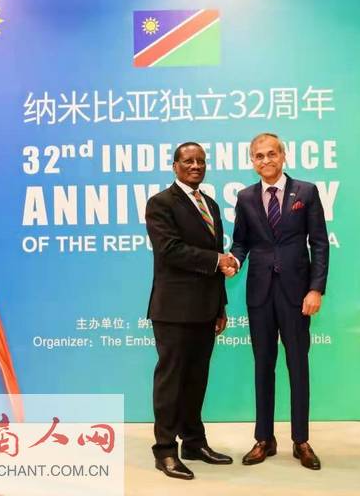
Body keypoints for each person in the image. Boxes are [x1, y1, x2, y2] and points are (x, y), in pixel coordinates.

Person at [229, 132, 329, 470]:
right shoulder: (245, 197)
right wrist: (234, 261)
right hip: (259, 294)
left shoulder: (306, 192)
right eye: (259, 155)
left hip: (297, 294)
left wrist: (316, 289)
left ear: (283, 156)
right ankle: (264, 438)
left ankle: (301, 440)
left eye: (271, 153)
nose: (266, 160)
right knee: (263, 365)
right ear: (252, 161)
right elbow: (240, 242)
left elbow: (319, 243)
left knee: (298, 365)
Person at [145, 142, 236, 480]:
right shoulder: (160, 203)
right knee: (171, 382)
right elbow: (170, 250)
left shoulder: (210, 204)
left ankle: (194, 443)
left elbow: (216, 259)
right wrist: (217, 260)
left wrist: (221, 305)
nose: (196, 165)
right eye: (188, 161)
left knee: (197, 380)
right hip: (173, 310)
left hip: (205, 309)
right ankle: (165, 450)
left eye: (201, 161)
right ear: (175, 166)